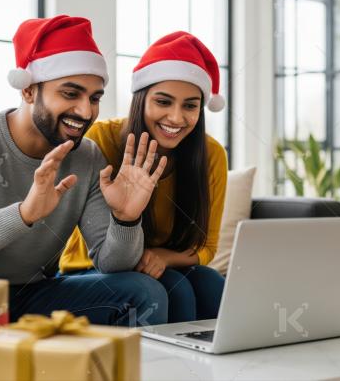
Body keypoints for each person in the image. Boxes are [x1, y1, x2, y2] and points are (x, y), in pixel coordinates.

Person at [0, 15, 170, 326]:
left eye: (94, 98)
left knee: (143, 292)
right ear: (28, 91)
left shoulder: (86, 156)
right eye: (70, 94)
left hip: (27, 296)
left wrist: (126, 219)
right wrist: (23, 214)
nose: (86, 111)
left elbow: (113, 264)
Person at [59, 31, 229, 323]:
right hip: (92, 267)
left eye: (190, 105)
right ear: (141, 100)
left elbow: (206, 247)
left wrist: (163, 256)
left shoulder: (211, 154)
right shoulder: (100, 139)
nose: (176, 118)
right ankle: (166, 357)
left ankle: (208, 355)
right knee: (175, 290)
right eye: (163, 102)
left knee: (210, 283)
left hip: (162, 266)